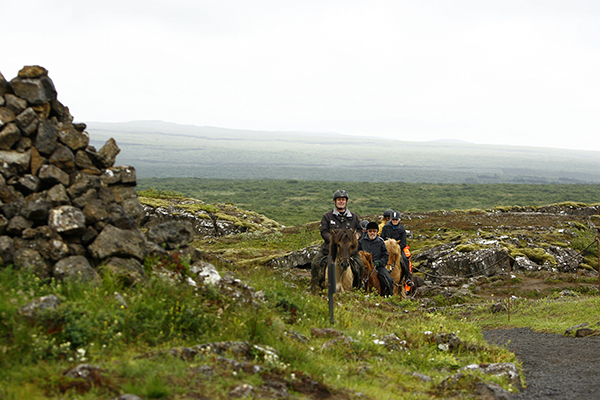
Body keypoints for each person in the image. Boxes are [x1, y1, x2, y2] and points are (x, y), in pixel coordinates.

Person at [310, 190, 364, 291]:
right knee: (315, 263)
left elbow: (360, 229)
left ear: (346, 202)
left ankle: (358, 287)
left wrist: (358, 235)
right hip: (330, 249)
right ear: (335, 202)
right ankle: (315, 287)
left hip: (349, 251)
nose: (341, 202)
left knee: (360, 265)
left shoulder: (353, 217)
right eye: (339, 200)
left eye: (343, 200)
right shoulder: (327, 216)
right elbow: (323, 231)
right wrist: (332, 239)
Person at [359, 221, 394, 296]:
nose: (372, 233)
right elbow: (357, 254)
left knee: (389, 280)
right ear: (367, 232)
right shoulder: (361, 241)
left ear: (377, 232)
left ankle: (389, 296)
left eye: (374, 231)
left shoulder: (380, 242)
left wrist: (379, 262)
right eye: (370, 231)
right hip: (364, 267)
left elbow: (385, 256)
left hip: (378, 267)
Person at [381, 210, 413, 285]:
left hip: (397, 249)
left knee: (405, 260)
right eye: (393, 219)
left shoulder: (402, 229)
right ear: (391, 219)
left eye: (396, 220)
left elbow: (403, 242)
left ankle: (408, 277)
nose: (395, 221)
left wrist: (397, 247)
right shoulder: (386, 227)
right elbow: (382, 238)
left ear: (399, 220)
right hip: (387, 249)